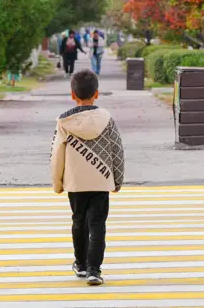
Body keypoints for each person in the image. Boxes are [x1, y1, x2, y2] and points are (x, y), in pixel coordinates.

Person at [51, 69, 125, 286]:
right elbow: (117, 151)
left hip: (75, 182)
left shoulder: (65, 123)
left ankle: (81, 264)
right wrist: (117, 179)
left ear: (73, 94)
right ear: (97, 93)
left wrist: (57, 183)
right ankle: (94, 270)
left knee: (78, 221)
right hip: (101, 180)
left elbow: (57, 155)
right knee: (97, 224)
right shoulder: (107, 120)